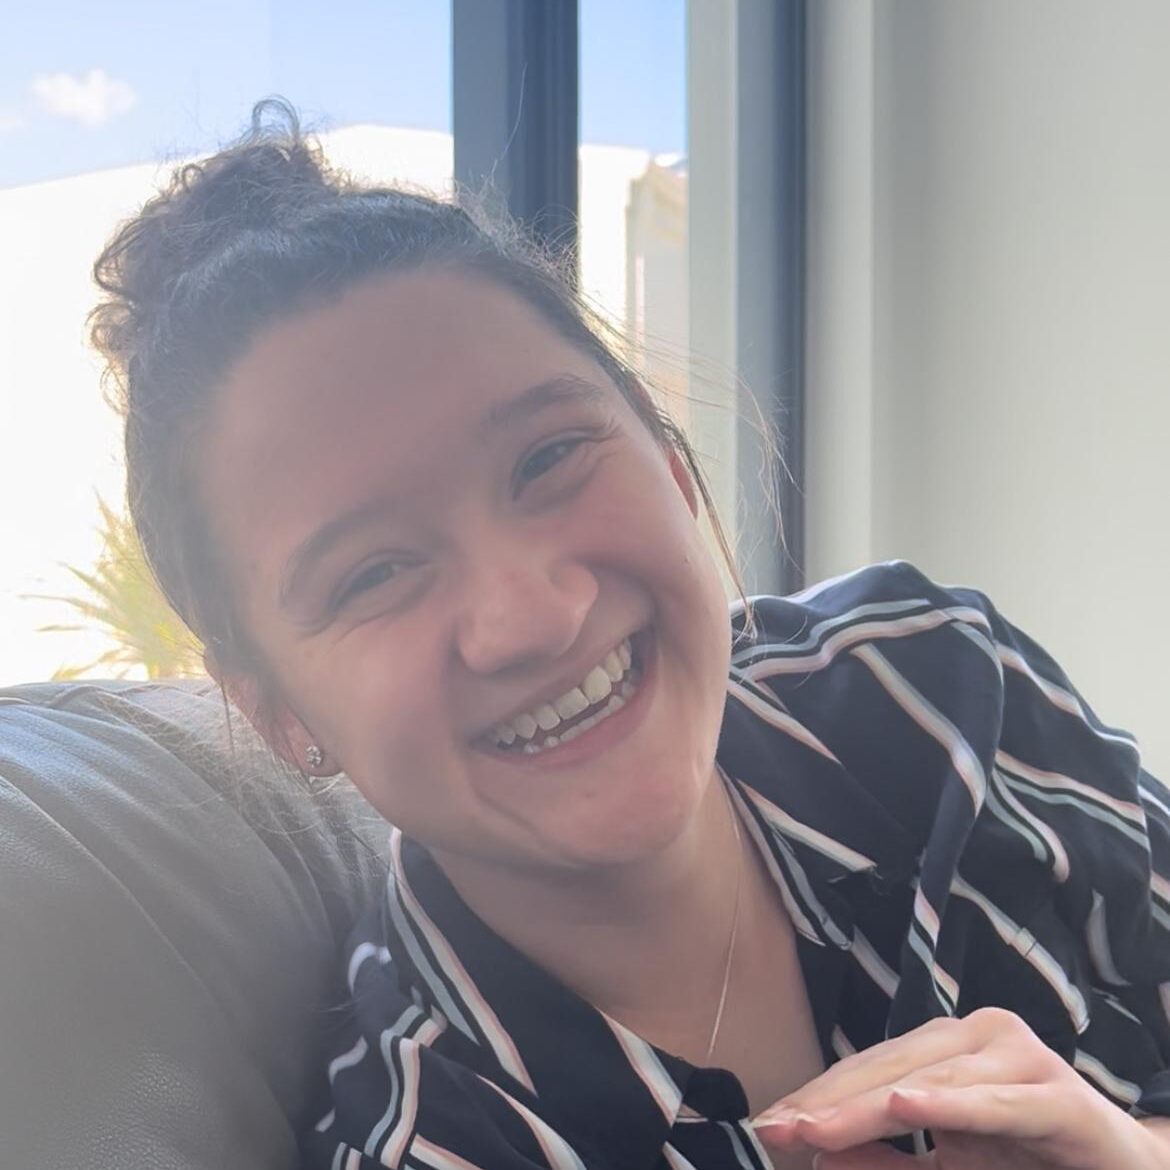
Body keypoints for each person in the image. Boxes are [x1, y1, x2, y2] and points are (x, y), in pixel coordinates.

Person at [90, 102, 1170, 1170]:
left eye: (548, 458)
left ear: (669, 460)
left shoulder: (933, 682)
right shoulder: (441, 1145)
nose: (533, 614)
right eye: (373, 573)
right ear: (278, 714)